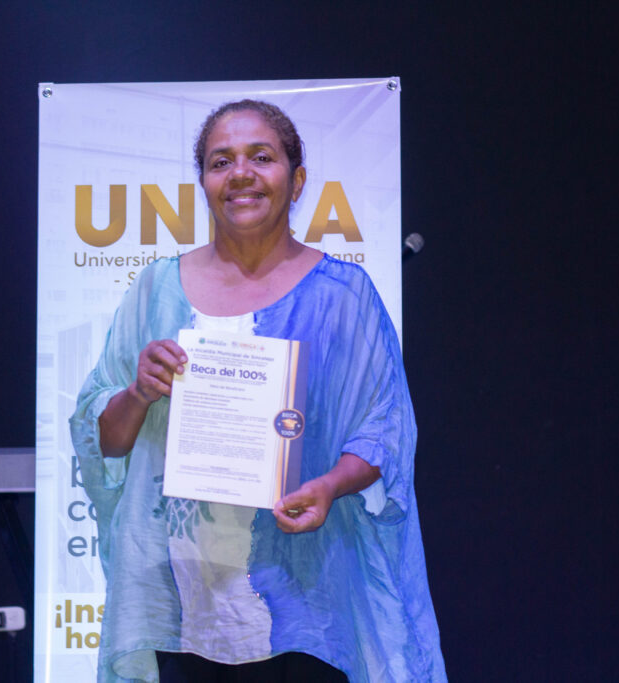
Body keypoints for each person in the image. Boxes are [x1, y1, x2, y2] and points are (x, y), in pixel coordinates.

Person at [71, 99, 446, 682]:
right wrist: (138, 393)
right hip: (179, 603)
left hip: (305, 600)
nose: (240, 173)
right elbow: (106, 441)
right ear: (203, 182)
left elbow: (384, 429)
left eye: (261, 157)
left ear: (297, 180)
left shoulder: (343, 295)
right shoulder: (154, 289)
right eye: (221, 161)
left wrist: (329, 486)